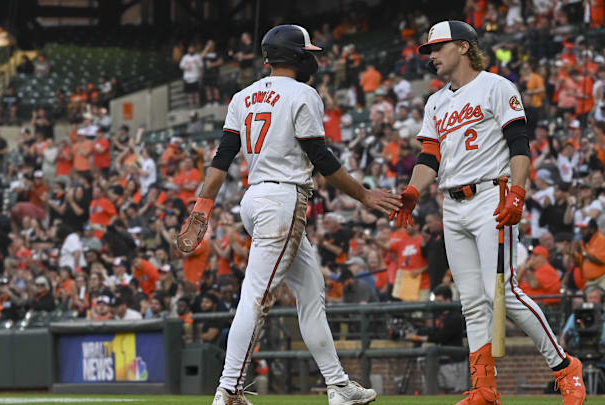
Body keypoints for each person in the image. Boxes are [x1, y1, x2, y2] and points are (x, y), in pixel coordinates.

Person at [177, 25, 401, 405]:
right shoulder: (303, 92)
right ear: (296, 56)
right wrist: (363, 194)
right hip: (283, 199)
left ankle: (339, 386)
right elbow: (322, 159)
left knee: (311, 292)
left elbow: (221, 159)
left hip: (255, 199)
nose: (312, 58)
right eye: (307, 52)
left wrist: (203, 205)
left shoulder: (242, 96)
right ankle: (229, 390)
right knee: (256, 297)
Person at [391, 20, 585, 405]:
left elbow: (519, 144)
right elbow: (429, 156)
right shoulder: (435, 102)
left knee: (504, 293)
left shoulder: (496, 86)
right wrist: (414, 188)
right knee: (472, 301)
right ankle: (484, 387)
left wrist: (518, 192)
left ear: (463, 47)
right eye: (429, 50)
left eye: (438, 48)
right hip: (453, 203)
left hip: (490, 197)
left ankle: (564, 367)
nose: (431, 57)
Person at [405, 284, 468, 393]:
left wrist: (417, 337)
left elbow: (441, 336)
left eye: (440, 301)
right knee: (442, 391)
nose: (438, 304)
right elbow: (433, 332)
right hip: (442, 360)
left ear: (448, 300)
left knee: (455, 393)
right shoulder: (439, 315)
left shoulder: (455, 317)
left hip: (455, 361)